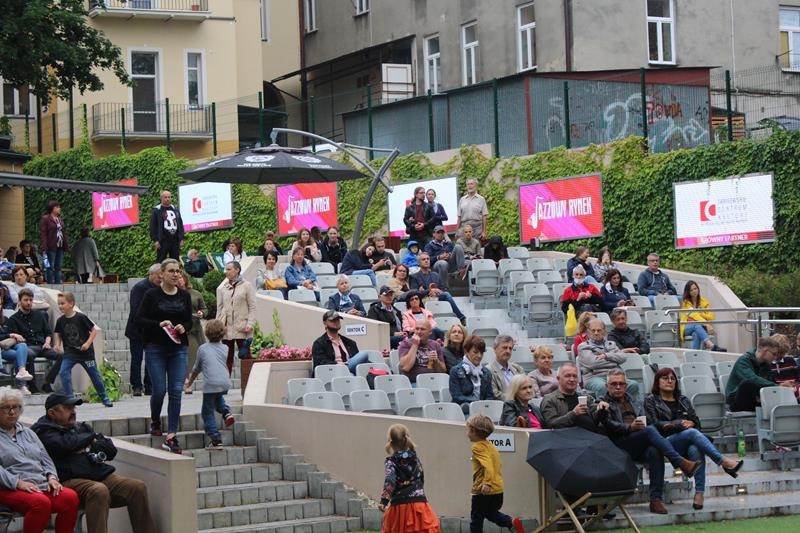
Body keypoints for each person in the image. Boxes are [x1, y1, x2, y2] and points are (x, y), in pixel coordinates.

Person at [30, 393, 156, 533]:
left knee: (137, 487)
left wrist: (89, 442)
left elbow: (110, 451)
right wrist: (90, 439)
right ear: (52, 413)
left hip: (96, 474)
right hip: (66, 480)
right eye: (67, 408)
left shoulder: (80, 428)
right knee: (98, 490)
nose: (73, 411)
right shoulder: (42, 431)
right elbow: (65, 445)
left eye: (73, 407)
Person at [599, 369, 703, 515]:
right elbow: (607, 424)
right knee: (649, 431)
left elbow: (647, 421)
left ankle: (655, 500)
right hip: (618, 444)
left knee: (655, 450)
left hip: (639, 441)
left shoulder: (635, 401)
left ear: (626, 385)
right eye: (614, 384)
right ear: (607, 386)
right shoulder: (602, 403)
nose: (618, 387)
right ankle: (679, 461)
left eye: (621, 384)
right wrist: (629, 427)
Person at [645, 367, 744, 511]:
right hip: (663, 442)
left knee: (696, 448)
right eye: (665, 378)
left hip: (684, 441)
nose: (670, 381)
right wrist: (678, 424)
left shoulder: (683, 400)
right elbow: (653, 424)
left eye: (672, 379)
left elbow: (697, 423)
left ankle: (699, 493)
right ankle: (723, 461)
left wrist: (692, 423)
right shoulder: (651, 400)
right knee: (691, 433)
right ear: (657, 382)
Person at [0, 387, 80, 533]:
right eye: (6, 408)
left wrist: (52, 477)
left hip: (38, 484)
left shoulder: (28, 433)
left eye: (16, 407)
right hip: (9, 488)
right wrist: (18, 483)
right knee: (40, 503)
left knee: (70, 498)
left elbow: (45, 458)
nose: (12, 412)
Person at [135, 259, 192, 454]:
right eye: (171, 271)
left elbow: (189, 320)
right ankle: (155, 420)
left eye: (178, 271)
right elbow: (139, 319)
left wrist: (184, 327)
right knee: (159, 390)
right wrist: (158, 324)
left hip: (178, 348)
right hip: (155, 347)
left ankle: (171, 435)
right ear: (162, 274)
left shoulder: (184, 296)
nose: (176, 274)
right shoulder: (151, 295)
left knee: (176, 390)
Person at [466, 414, 525, 533]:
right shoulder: (491, 446)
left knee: (476, 518)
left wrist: (487, 483)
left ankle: (510, 523)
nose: (466, 433)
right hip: (498, 489)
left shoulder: (477, 447)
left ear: (473, 430)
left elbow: (488, 465)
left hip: (483, 490)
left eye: (467, 429)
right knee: (490, 513)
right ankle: (511, 522)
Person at [53, 292, 112, 407]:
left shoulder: (81, 317)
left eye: (62, 303)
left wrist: (87, 343)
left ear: (71, 304)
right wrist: (57, 344)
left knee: (94, 375)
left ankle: (104, 397)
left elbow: (93, 331)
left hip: (86, 354)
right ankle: (70, 398)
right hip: (70, 353)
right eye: (59, 304)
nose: (60, 306)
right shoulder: (60, 321)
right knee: (63, 372)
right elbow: (58, 333)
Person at [378, 424, 440, 533]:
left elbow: (390, 481)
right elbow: (421, 478)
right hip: (420, 504)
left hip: (400, 506)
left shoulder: (391, 462)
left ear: (390, 443)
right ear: (406, 440)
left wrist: (384, 501)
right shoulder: (415, 459)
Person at [184, 320, 235, 448]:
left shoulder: (202, 349)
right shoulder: (225, 348)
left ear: (206, 333)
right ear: (222, 333)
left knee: (207, 412)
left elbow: (196, 368)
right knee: (218, 397)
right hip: (224, 381)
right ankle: (226, 412)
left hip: (211, 384)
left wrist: (190, 382)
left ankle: (215, 438)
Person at [7, 289, 59, 393]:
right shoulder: (13, 319)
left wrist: (47, 342)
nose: (29, 302)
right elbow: (15, 340)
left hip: (42, 346)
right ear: (19, 301)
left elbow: (48, 332)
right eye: (26, 300)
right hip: (28, 346)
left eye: (31, 300)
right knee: (28, 354)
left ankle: (47, 382)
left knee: (62, 355)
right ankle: (32, 385)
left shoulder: (39, 315)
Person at [725, 334, 792, 412]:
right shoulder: (743, 361)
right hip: (735, 401)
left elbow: (770, 383)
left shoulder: (766, 365)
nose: (775, 357)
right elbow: (752, 379)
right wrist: (777, 386)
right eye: (773, 354)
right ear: (764, 350)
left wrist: (782, 388)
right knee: (747, 384)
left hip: (755, 400)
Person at [577, 319, 639, 399]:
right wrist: (614, 361)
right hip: (594, 377)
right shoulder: (583, 346)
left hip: (615, 376)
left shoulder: (611, 344)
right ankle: (604, 406)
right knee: (602, 386)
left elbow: (623, 357)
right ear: (588, 332)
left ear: (604, 332)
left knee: (633, 385)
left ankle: (627, 405)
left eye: (599, 330)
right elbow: (593, 363)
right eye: (593, 330)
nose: (596, 333)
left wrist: (606, 356)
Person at [540, 362, 607, 432]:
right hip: (567, 436)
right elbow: (551, 424)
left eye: (575, 376)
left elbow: (597, 418)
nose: (572, 379)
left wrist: (602, 410)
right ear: (558, 378)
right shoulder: (550, 400)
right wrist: (574, 414)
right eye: (567, 376)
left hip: (592, 434)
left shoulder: (585, 397)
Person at [125, 264, 160, 397]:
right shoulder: (139, 288)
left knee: (151, 358)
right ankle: (137, 386)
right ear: (151, 274)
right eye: (159, 276)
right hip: (137, 330)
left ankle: (149, 386)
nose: (160, 279)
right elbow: (136, 309)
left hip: (152, 330)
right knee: (137, 358)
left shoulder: (159, 288)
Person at [216, 261, 256, 374]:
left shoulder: (247, 285)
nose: (226, 272)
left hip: (242, 327)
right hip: (226, 328)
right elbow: (219, 308)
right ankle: (224, 382)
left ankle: (249, 381)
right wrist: (217, 326)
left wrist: (250, 324)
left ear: (237, 270)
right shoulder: (223, 288)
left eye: (229, 269)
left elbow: (252, 307)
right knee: (226, 358)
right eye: (226, 269)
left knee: (246, 357)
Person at [409, 253, 467, 323]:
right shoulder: (414, 277)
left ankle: (461, 318)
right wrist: (429, 291)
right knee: (446, 295)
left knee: (446, 294)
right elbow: (414, 293)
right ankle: (461, 318)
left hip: (437, 297)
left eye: (428, 259)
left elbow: (442, 289)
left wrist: (437, 291)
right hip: (423, 299)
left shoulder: (436, 275)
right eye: (423, 259)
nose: (426, 261)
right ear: (418, 263)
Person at [177, 270, 207, 389]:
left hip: (196, 328)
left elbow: (204, 309)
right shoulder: (173, 294)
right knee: (188, 356)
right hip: (183, 329)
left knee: (201, 355)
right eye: (177, 277)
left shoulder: (195, 293)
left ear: (185, 279)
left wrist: (202, 313)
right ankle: (187, 384)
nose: (179, 280)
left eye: (181, 277)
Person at [449, 335, 494, 414]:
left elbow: (490, 396)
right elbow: (457, 397)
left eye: (481, 353)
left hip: (483, 411)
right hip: (463, 411)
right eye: (475, 352)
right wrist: (476, 402)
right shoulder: (455, 371)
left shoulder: (487, 372)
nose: (479, 356)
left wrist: (483, 406)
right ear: (466, 351)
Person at [397, 319, 446, 384]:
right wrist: (415, 345)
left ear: (430, 332)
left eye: (422, 329)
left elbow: (442, 372)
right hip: (412, 383)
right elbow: (406, 367)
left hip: (433, 382)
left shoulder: (435, 345)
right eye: (417, 329)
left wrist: (436, 361)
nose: (419, 332)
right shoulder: (406, 343)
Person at [680, 280, 718, 351]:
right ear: (688, 292)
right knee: (696, 324)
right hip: (686, 327)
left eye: (695, 288)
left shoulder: (703, 301)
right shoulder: (686, 302)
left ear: (698, 289)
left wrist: (700, 313)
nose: (694, 291)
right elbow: (693, 315)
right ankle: (711, 345)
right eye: (691, 290)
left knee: (696, 333)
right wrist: (706, 324)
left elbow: (711, 316)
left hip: (699, 327)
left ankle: (694, 354)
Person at [0, 312, 33, 392]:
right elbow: (8, 334)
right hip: (1, 350)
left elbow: (11, 332)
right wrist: (9, 335)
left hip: (8, 345)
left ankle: (22, 370)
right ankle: (22, 385)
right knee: (19, 356)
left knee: (22, 345)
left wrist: (13, 336)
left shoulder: (5, 319)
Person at [148, 190, 184, 262]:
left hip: (175, 240)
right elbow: (153, 227)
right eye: (165, 197)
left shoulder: (175, 209)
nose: (167, 199)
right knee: (160, 261)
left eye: (169, 197)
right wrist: (155, 240)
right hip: (163, 241)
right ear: (161, 198)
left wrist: (181, 238)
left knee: (175, 261)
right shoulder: (157, 210)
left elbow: (180, 224)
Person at [39, 200, 70, 284]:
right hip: (50, 246)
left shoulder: (60, 219)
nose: (59, 208)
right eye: (57, 207)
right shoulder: (46, 218)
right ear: (52, 208)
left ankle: (58, 284)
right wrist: (44, 246)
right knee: (50, 266)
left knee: (58, 267)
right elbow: (43, 233)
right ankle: (50, 284)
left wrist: (66, 245)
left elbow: (64, 233)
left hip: (60, 246)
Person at [486, 335, 525, 400]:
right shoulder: (488, 370)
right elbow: (495, 394)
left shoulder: (518, 369)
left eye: (510, 348)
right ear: (495, 349)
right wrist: (515, 399)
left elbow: (526, 387)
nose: (508, 351)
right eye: (504, 348)